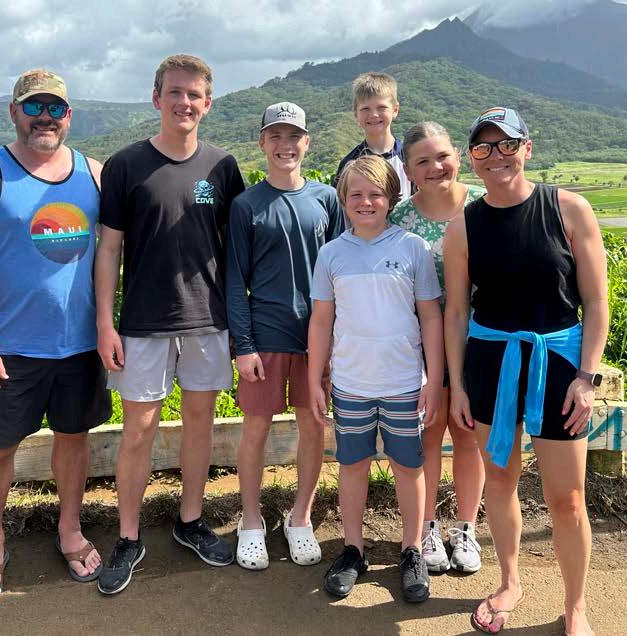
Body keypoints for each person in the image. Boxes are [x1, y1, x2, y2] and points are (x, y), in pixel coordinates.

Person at [0, 69, 110, 605]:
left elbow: (113, 254)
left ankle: (70, 529)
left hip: (79, 345)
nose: (45, 117)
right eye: (34, 106)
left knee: (74, 439)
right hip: (7, 348)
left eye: (55, 108)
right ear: (14, 111)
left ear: (69, 116)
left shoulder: (95, 174)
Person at [444, 107, 607, 635]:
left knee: (568, 498)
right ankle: (509, 581)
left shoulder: (569, 209)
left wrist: (587, 378)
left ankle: (576, 605)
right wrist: (458, 386)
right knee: (499, 478)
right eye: (483, 147)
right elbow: (456, 313)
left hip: (558, 365)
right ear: (472, 157)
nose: (496, 156)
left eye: (507, 144)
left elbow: (596, 301)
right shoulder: (463, 227)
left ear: (527, 148)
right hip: (490, 362)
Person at [95, 54, 246, 595]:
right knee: (138, 430)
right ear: (157, 98)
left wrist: (240, 323)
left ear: (208, 103)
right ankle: (128, 536)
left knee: (200, 425)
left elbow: (234, 250)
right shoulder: (125, 165)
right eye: (175, 92)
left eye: (194, 94)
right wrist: (105, 323)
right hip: (142, 320)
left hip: (207, 317)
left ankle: (190, 521)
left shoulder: (223, 167)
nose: (185, 102)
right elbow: (108, 249)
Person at [308, 155, 444, 604]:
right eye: (355, 195)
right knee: (352, 466)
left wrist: (433, 378)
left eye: (375, 194)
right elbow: (321, 321)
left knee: (409, 467)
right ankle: (353, 549)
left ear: (391, 197)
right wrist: (315, 378)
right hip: (350, 383)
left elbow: (430, 316)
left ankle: (411, 549)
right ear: (343, 199)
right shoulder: (331, 253)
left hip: (404, 382)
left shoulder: (413, 248)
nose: (365, 202)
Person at [225, 102, 344, 570]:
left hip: (317, 340)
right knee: (255, 429)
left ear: (306, 142)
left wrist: (336, 343)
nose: (285, 145)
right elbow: (234, 281)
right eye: (275, 136)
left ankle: (301, 517)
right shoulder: (245, 205)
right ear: (262, 142)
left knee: (313, 425)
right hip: (265, 335)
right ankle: (251, 519)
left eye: (293, 136)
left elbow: (341, 271)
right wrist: (243, 346)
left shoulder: (327, 200)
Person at [391, 121, 487, 575]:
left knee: (467, 434)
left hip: (480, 341)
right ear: (408, 169)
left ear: (458, 156)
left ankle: (466, 528)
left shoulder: (484, 205)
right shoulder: (398, 219)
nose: (435, 167)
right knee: (428, 433)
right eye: (423, 161)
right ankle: (427, 526)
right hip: (422, 345)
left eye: (443, 156)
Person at [331, 72, 411, 200]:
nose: (373, 114)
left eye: (381, 107)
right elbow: (341, 206)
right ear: (356, 114)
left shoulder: (409, 156)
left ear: (395, 110)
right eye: (365, 109)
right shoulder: (349, 163)